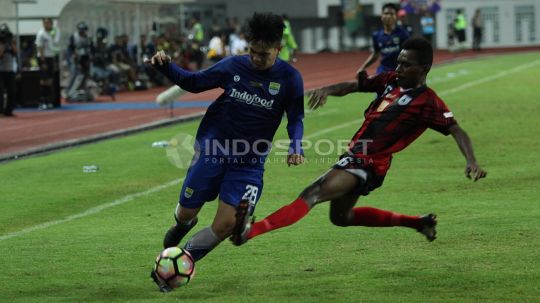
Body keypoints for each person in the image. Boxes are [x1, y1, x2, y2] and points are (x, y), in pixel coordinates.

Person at [230, 37, 487, 248]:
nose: (398, 70)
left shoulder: (428, 101)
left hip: (370, 162)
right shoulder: (390, 81)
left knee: (313, 192)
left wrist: (471, 160)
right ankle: (419, 223)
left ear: (424, 69)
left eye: (405, 65)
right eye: (398, 63)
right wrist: (328, 90)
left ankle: (249, 232)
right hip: (356, 154)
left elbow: (456, 129)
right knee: (342, 217)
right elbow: (355, 86)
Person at [147, 12, 305, 292]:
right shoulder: (233, 65)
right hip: (214, 148)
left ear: (278, 49)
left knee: (226, 225)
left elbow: (295, 118)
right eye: (253, 52)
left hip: (249, 161)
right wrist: (166, 67)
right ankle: (184, 225)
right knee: (186, 212)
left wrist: (296, 146)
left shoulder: (290, 79)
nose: (257, 59)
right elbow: (195, 83)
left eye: (264, 54)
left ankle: (179, 262)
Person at [357, 3, 410, 75]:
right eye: (386, 13)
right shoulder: (376, 35)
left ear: (396, 17)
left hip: (398, 72)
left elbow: (408, 53)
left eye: (391, 14)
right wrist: (362, 68)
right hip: (382, 72)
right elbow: (375, 54)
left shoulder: (403, 34)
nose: (388, 16)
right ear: (381, 16)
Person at [35, 18, 61, 110]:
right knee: (44, 80)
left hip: (51, 57)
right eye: (45, 23)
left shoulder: (53, 32)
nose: (46, 24)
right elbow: (39, 47)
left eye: (48, 23)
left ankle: (49, 100)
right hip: (44, 57)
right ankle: (42, 101)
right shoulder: (41, 33)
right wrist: (43, 61)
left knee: (50, 81)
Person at [0, 23, 17, 117]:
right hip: (1, 71)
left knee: (12, 91)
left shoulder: (11, 42)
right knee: (0, 92)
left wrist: (10, 42)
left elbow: (16, 52)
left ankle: (9, 111)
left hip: (10, 70)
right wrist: (2, 43)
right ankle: (0, 111)